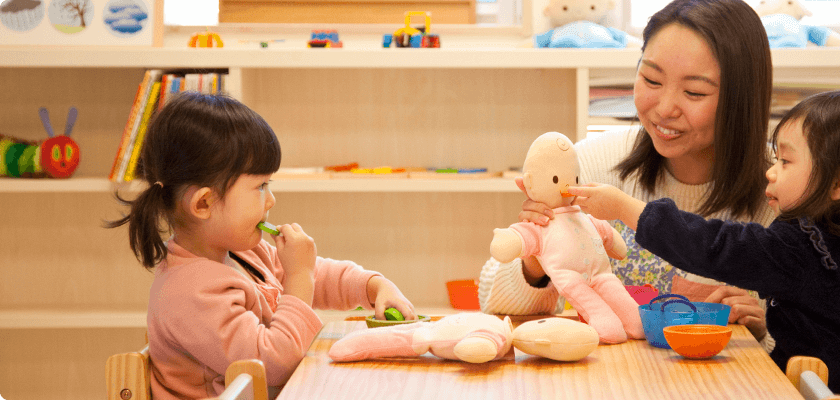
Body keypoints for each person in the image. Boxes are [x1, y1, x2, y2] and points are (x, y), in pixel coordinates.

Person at [568, 90, 840, 400]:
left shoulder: (805, 248)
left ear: (839, 183)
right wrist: (772, 331)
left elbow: (713, 246)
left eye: (785, 161)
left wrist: (625, 208)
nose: (771, 170)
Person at [478, 0, 777, 348]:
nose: (664, 109)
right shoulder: (590, 166)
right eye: (651, 79)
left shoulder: (781, 191)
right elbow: (494, 302)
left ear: (741, 98)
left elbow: (812, 345)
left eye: (694, 92)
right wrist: (534, 259)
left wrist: (762, 332)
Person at [106, 92, 417, 399]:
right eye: (260, 186)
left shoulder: (241, 251)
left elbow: (312, 274)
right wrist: (299, 279)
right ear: (203, 203)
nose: (271, 199)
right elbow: (273, 364)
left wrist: (372, 286)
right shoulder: (189, 292)